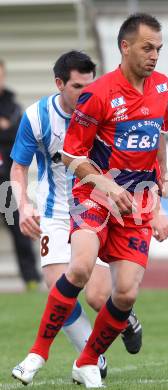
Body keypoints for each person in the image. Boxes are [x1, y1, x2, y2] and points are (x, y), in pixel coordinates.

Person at [12, 13, 168, 388]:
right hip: (66, 203)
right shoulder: (39, 116)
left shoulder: (161, 88)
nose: (154, 56)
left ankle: (112, 330)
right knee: (70, 274)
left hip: (131, 201)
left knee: (110, 295)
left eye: (158, 49)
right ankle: (78, 358)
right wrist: (23, 205)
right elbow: (28, 166)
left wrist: (160, 187)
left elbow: (157, 135)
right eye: (147, 48)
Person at [0, 60, 41, 291]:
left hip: (5, 181)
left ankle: (31, 279)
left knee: (19, 227)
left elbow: (15, 137)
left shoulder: (13, 107)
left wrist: (5, 130)